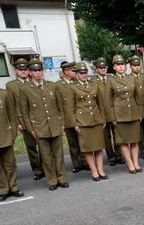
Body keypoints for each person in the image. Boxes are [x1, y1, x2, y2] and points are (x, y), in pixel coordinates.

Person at [20, 59, 69, 191]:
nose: (38, 73)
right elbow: (25, 112)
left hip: (55, 125)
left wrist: (62, 122)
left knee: (58, 154)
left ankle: (62, 178)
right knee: (46, 156)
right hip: (39, 127)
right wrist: (31, 129)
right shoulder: (25, 89)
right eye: (35, 71)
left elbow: (60, 107)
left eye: (40, 70)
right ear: (30, 73)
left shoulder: (51, 85)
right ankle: (52, 180)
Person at [5, 58, 44, 180]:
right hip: (23, 121)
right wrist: (17, 122)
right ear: (16, 71)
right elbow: (11, 105)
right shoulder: (11, 86)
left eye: (25, 69)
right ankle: (37, 170)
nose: (23, 72)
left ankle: (45, 167)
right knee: (31, 146)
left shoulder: (34, 82)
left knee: (43, 145)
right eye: (20, 70)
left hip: (38, 120)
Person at [68, 62, 107, 181]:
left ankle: (100, 169)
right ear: (77, 74)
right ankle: (94, 170)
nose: (84, 75)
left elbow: (101, 104)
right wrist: (75, 123)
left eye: (85, 73)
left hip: (96, 120)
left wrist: (103, 119)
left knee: (99, 146)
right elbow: (70, 108)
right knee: (88, 148)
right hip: (83, 121)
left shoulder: (94, 85)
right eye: (81, 73)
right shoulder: (72, 87)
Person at [105, 54, 143, 174]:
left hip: (133, 113)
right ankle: (130, 164)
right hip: (120, 115)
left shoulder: (132, 78)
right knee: (123, 141)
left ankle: (136, 163)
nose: (121, 67)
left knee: (135, 140)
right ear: (114, 67)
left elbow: (138, 97)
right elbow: (108, 101)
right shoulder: (110, 81)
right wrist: (112, 118)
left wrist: (139, 113)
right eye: (118, 65)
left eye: (122, 64)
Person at [0, 86, 24, 202]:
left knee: (10, 163)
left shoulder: (2, 94)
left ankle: (13, 187)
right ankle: (2, 189)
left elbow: (12, 116)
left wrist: (13, 134)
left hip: (5, 134)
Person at [56, 61, 87, 173]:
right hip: (67, 118)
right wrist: (62, 121)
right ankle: (76, 164)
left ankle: (85, 161)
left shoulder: (77, 83)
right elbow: (58, 104)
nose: (75, 72)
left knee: (82, 141)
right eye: (73, 71)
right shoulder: (58, 86)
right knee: (72, 142)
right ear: (66, 72)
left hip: (79, 117)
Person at [92, 57, 123, 166]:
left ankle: (119, 155)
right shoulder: (93, 82)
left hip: (114, 111)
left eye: (104, 67)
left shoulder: (112, 79)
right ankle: (111, 156)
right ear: (96, 69)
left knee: (117, 134)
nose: (103, 69)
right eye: (100, 67)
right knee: (106, 137)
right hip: (102, 113)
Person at [129, 55, 144, 160]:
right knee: (140, 131)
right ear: (130, 67)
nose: (137, 67)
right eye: (134, 65)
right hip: (136, 108)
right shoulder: (128, 78)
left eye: (138, 65)